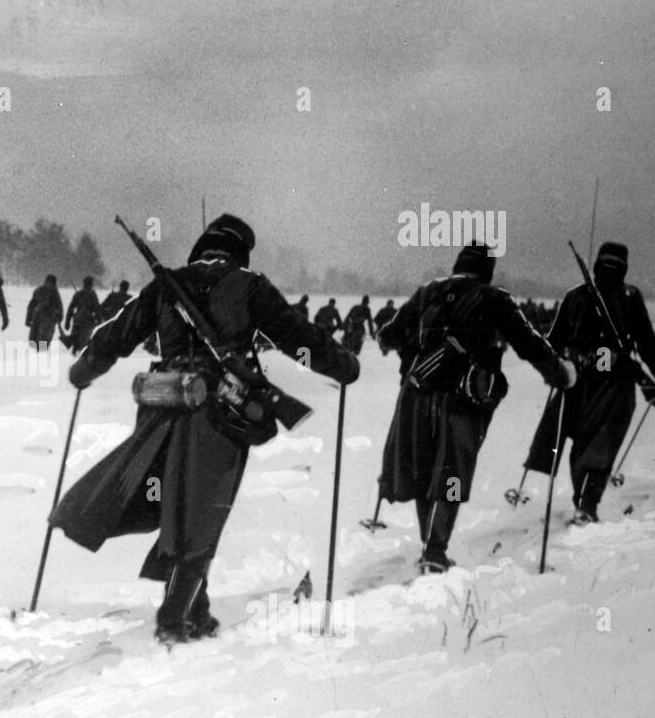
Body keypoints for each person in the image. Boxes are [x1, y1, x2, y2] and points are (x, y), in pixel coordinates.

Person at [49, 214, 359, 644]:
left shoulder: (167, 284)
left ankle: (197, 609)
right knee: (203, 511)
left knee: (173, 504)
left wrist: (86, 368)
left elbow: (117, 334)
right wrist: (341, 365)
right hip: (222, 413)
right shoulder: (249, 286)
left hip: (163, 409)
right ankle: (175, 620)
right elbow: (297, 339)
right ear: (239, 251)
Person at [377, 242, 574, 573]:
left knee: (426, 471)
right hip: (462, 401)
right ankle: (435, 551)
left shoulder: (428, 292)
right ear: (488, 270)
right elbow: (529, 343)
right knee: (452, 474)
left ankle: (431, 544)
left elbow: (389, 336)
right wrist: (559, 374)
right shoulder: (494, 298)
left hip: (416, 396)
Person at [522, 242, 655, 523]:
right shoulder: (627, 297)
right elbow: (647, 345)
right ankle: (586, 504)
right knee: (597, 448)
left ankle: (585, 503)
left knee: (587, 447)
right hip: (610, 386)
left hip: (583, 386)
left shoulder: (578, 296)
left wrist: (560, 368)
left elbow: (552, 345)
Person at [62, 276, 103, 354]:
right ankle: (82, 350)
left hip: (77, 318)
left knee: (75, 333)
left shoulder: (78, 294)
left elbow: (70, 308)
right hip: (87, 320)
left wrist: (67, 322)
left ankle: (74, 345)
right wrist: (99, 321)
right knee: (86, 337)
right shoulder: (92, 294)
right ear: (91, 284)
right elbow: (97, 308)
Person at [25, 274, 64, 349]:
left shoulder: (38, 290)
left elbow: (31, 306)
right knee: (43, 345)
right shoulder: (54, 291)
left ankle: (34, 357)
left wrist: (28, 319)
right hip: (48, 320)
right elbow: (59, 307)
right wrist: (59, 318)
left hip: (36, 318)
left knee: (34, 343)